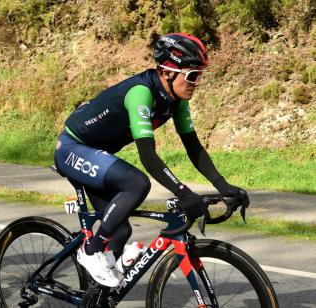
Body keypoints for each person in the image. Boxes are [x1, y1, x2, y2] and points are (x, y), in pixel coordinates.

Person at [54, 33, 249, 287]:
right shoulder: (141, 93)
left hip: (97, 153)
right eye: (191, 75)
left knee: (121, 230)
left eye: (199, 76)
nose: (196, 83)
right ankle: (90, 251)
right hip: (73, 148)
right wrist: (182, 191)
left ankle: (97, 294)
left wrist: (224, 186)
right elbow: (147, 155)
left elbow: (194, 148)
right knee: (136, 183)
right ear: (168, 72)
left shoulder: (176, 101)